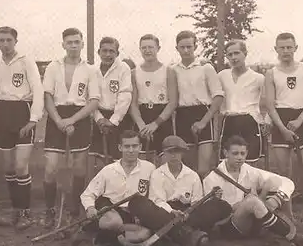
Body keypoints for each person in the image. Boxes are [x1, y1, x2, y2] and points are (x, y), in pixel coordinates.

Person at [203, 135, 303, 246]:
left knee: (265, 194)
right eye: (235, 153)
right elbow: (211, 215)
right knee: (252, 202)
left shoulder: (250, 171)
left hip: (251, 222)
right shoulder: (212, 178)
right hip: (227, 227)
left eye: (243, 153)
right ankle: (294, 237)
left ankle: (281, 235)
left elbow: (287, 182)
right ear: (225, 153)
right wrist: (237, 206)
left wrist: (275, 199)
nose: (240, 157)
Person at [264, 32, 303, 235]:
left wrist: (299, 121)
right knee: (284, 176)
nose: (286, 51)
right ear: (276, 49)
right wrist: (282, 128)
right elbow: (270, 106)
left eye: (289, 47)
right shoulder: (271, 73)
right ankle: (288, 219)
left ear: (295, 48)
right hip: (281, 121)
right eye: (282, 48)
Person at [40, 28, 100, 228]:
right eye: (69, 42)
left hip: (80, 118)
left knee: (79, 167)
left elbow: (93, 102)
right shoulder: (53, 67)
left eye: (77, 42)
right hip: (56, 117)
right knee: (51, 167)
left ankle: (74, 210)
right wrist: (59, 121)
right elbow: (47, 96)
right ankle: (50, 210)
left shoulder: (91, 69)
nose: (73, 45)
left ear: (82, 44)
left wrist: (72, 120)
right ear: (63, 44)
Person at [0, 26, 44, 230]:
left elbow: (38, 89)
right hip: (2, 115)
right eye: (1, 40)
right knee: (9, 168)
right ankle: (16, 210)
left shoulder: (26, 60)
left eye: (9, 40)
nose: (5, 44)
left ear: (15, 41)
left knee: (21, 166)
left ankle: (26, 212)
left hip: (22, 113)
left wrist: (34, 119)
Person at [128, 135, 219, 246]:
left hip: (187, 213)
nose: (173, 155)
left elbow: (196, 201)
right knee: (137, 202)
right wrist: (172, 212)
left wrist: (187, 214)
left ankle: (176, 232)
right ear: (164, 154)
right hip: (164, 212)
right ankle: (188, 234)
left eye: (177, 152)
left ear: (182, 153)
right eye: (169, 152)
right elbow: (158, 200)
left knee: (220, 205)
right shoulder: (157, 174)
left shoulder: (193, 175)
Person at [80, 130, 156, 243]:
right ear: (120, 148)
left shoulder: (149, 168)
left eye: (134, 146)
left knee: (145, 233)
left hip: (133, 214)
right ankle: (92, 230)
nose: (131, 150)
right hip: (111, 209)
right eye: (127, 146)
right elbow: (88, 194)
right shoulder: (109, 170)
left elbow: (154, 195)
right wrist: (90, 208)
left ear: (140, 147)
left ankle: (101, 238)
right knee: (115, 223)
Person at [171, 30, 224, 179]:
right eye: (182, 47)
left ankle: (206, 200)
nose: (186, 50)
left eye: (189, 46)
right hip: (182, 115)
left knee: (203, 169)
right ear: (177, 48)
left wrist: (203, 122)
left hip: (203, 114)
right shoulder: (173, 70)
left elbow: (218, 97)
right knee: (187, 169)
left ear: (195, 46)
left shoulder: (206, 68)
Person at [129, 34, 178, 165]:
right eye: (143, 47)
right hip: (142, 117)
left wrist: (156, 124)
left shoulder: (169, 71)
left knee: (164, 161)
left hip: (161, 118)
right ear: (139, 49)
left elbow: (173, 102)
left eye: (151, 47)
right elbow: (133, 104)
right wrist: (141, 125)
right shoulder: (134, 72)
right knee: (142, 162)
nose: (147, 50)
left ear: (158, 48)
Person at [218, 39, 267, 165]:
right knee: (227, 164)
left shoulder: (258, 78)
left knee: (250, 163)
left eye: (237, 53)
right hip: (229, 121)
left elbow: (266, 105)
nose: (233, 58)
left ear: (245, 53)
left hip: (250, 122)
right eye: (230, 55)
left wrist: (264, 122)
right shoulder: (222, 76)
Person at [89, 37, 133, 173]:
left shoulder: (123, 68)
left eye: (111, 51)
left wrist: (113, 121)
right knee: (99, 160)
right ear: (98, 52)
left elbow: (125, 95)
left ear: (117, 53)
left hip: (119, 118)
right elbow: (88, 97)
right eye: (104, 51)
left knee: (119, 160)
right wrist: (99, 118)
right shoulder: (92, 70)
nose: (108, 54)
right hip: (99, 118)